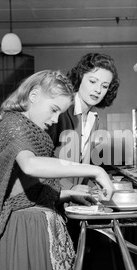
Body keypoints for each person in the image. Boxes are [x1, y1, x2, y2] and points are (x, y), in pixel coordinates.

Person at [0, 70, 115, 270]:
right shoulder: (13, 124)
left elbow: (28, 188)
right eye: (54, 110)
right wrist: (95, 169)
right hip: (26, 230)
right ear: (34, 95)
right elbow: (31, 166)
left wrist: (67, 194)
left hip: (38, 225)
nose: (55, 120)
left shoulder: (32, 129)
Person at [49, 52, 120, 190]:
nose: (98, 90)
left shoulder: (94, 119)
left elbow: (82, 167)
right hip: (54, 194)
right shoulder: (61, 111)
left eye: (105, 86)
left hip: (72, 198)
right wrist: (69, 188)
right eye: (92, 81)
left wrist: (98, 187)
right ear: (80, 78)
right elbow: (42, 160)